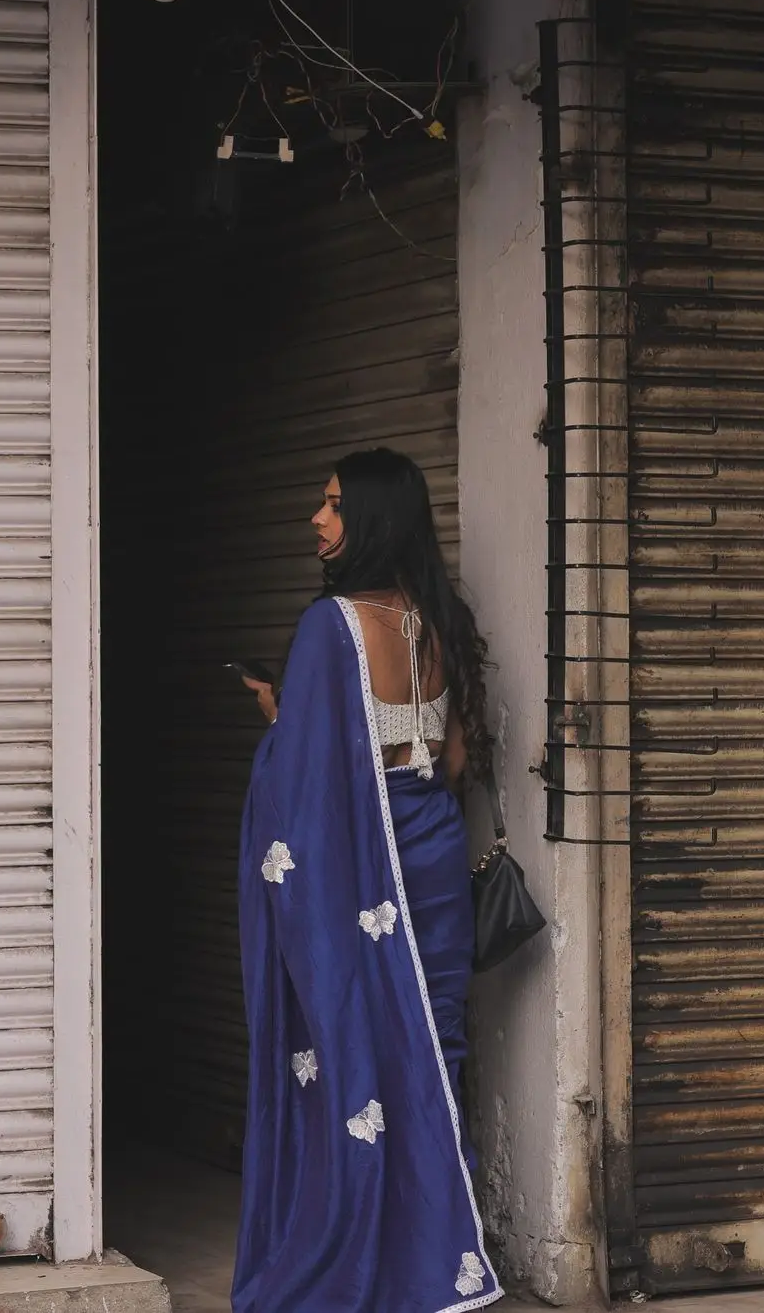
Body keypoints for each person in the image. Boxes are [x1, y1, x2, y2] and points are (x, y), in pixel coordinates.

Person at [231, 447, 503, 1313]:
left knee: (354, 1054)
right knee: (433, 1050)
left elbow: (307, 775)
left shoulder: (331, 628)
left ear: (372, 518)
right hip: (429, 851)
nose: (318, 517)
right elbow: (453, 762)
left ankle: (372, 1265)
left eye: (334, 503)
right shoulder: (442, 620)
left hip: (360, 861)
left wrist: (285, 721)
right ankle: (447, 1262)